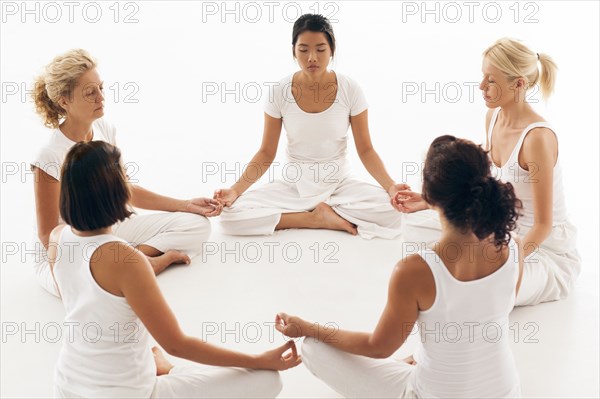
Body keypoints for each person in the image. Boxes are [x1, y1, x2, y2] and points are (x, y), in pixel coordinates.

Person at [276, 135, 524, 398]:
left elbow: (378, 347)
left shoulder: (415, 270)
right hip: (505, 391)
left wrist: (307, 327)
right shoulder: (514, 247)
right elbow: (474, 316)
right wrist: (434, 199)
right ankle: (414, 363)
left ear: (431, 193)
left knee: (314, 347)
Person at [48, 141, 300, 398]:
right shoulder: (126, 260)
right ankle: (170, 371)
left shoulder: (57, 238)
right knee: (268, 380)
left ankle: (161, 368)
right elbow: (177, 344)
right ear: (114, 190)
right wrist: (259, 360)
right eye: (125, 177)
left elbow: (89, 311)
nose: (129, 184)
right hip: (130, 393)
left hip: (67, 387)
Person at [396, 38, 581, 306]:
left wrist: (508, 262)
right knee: (414, 225)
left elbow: (543, 225)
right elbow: (484, 184)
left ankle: (478, 274)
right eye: (483, 76)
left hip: (543, 252)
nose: (482, 86)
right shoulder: (493, 117)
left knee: (492, 290)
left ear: (518, 84)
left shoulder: (538, 139)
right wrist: (431, 202)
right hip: (502, 229)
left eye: (491, 80)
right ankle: (474, 270)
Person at [31, 49, 220, 297]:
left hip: (110, 228)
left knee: (197, 225)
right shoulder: (49, 156)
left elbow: (124, 190)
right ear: (64, 101)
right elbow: (47, 234)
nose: (101, 97)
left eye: (101, 88)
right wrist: (82, 255)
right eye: (90, 93)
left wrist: (185, 205)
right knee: (78, 288)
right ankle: (140, 264)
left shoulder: (104, 129)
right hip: (70, 245)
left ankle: (131, 263)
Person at [214, 14, 407, 239]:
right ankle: (314, 217)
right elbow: (266, 152)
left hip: (338, 183)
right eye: (304, 49)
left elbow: (366, 150)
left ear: (332, 50)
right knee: (230, 217)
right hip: (294, 183)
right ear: (293, 50)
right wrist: (235, 191)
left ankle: (325, 210)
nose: (312, 57)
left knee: (393, 212)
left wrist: (391, 186)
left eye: (321, 49)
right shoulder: (279, 91)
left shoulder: (350, 89)